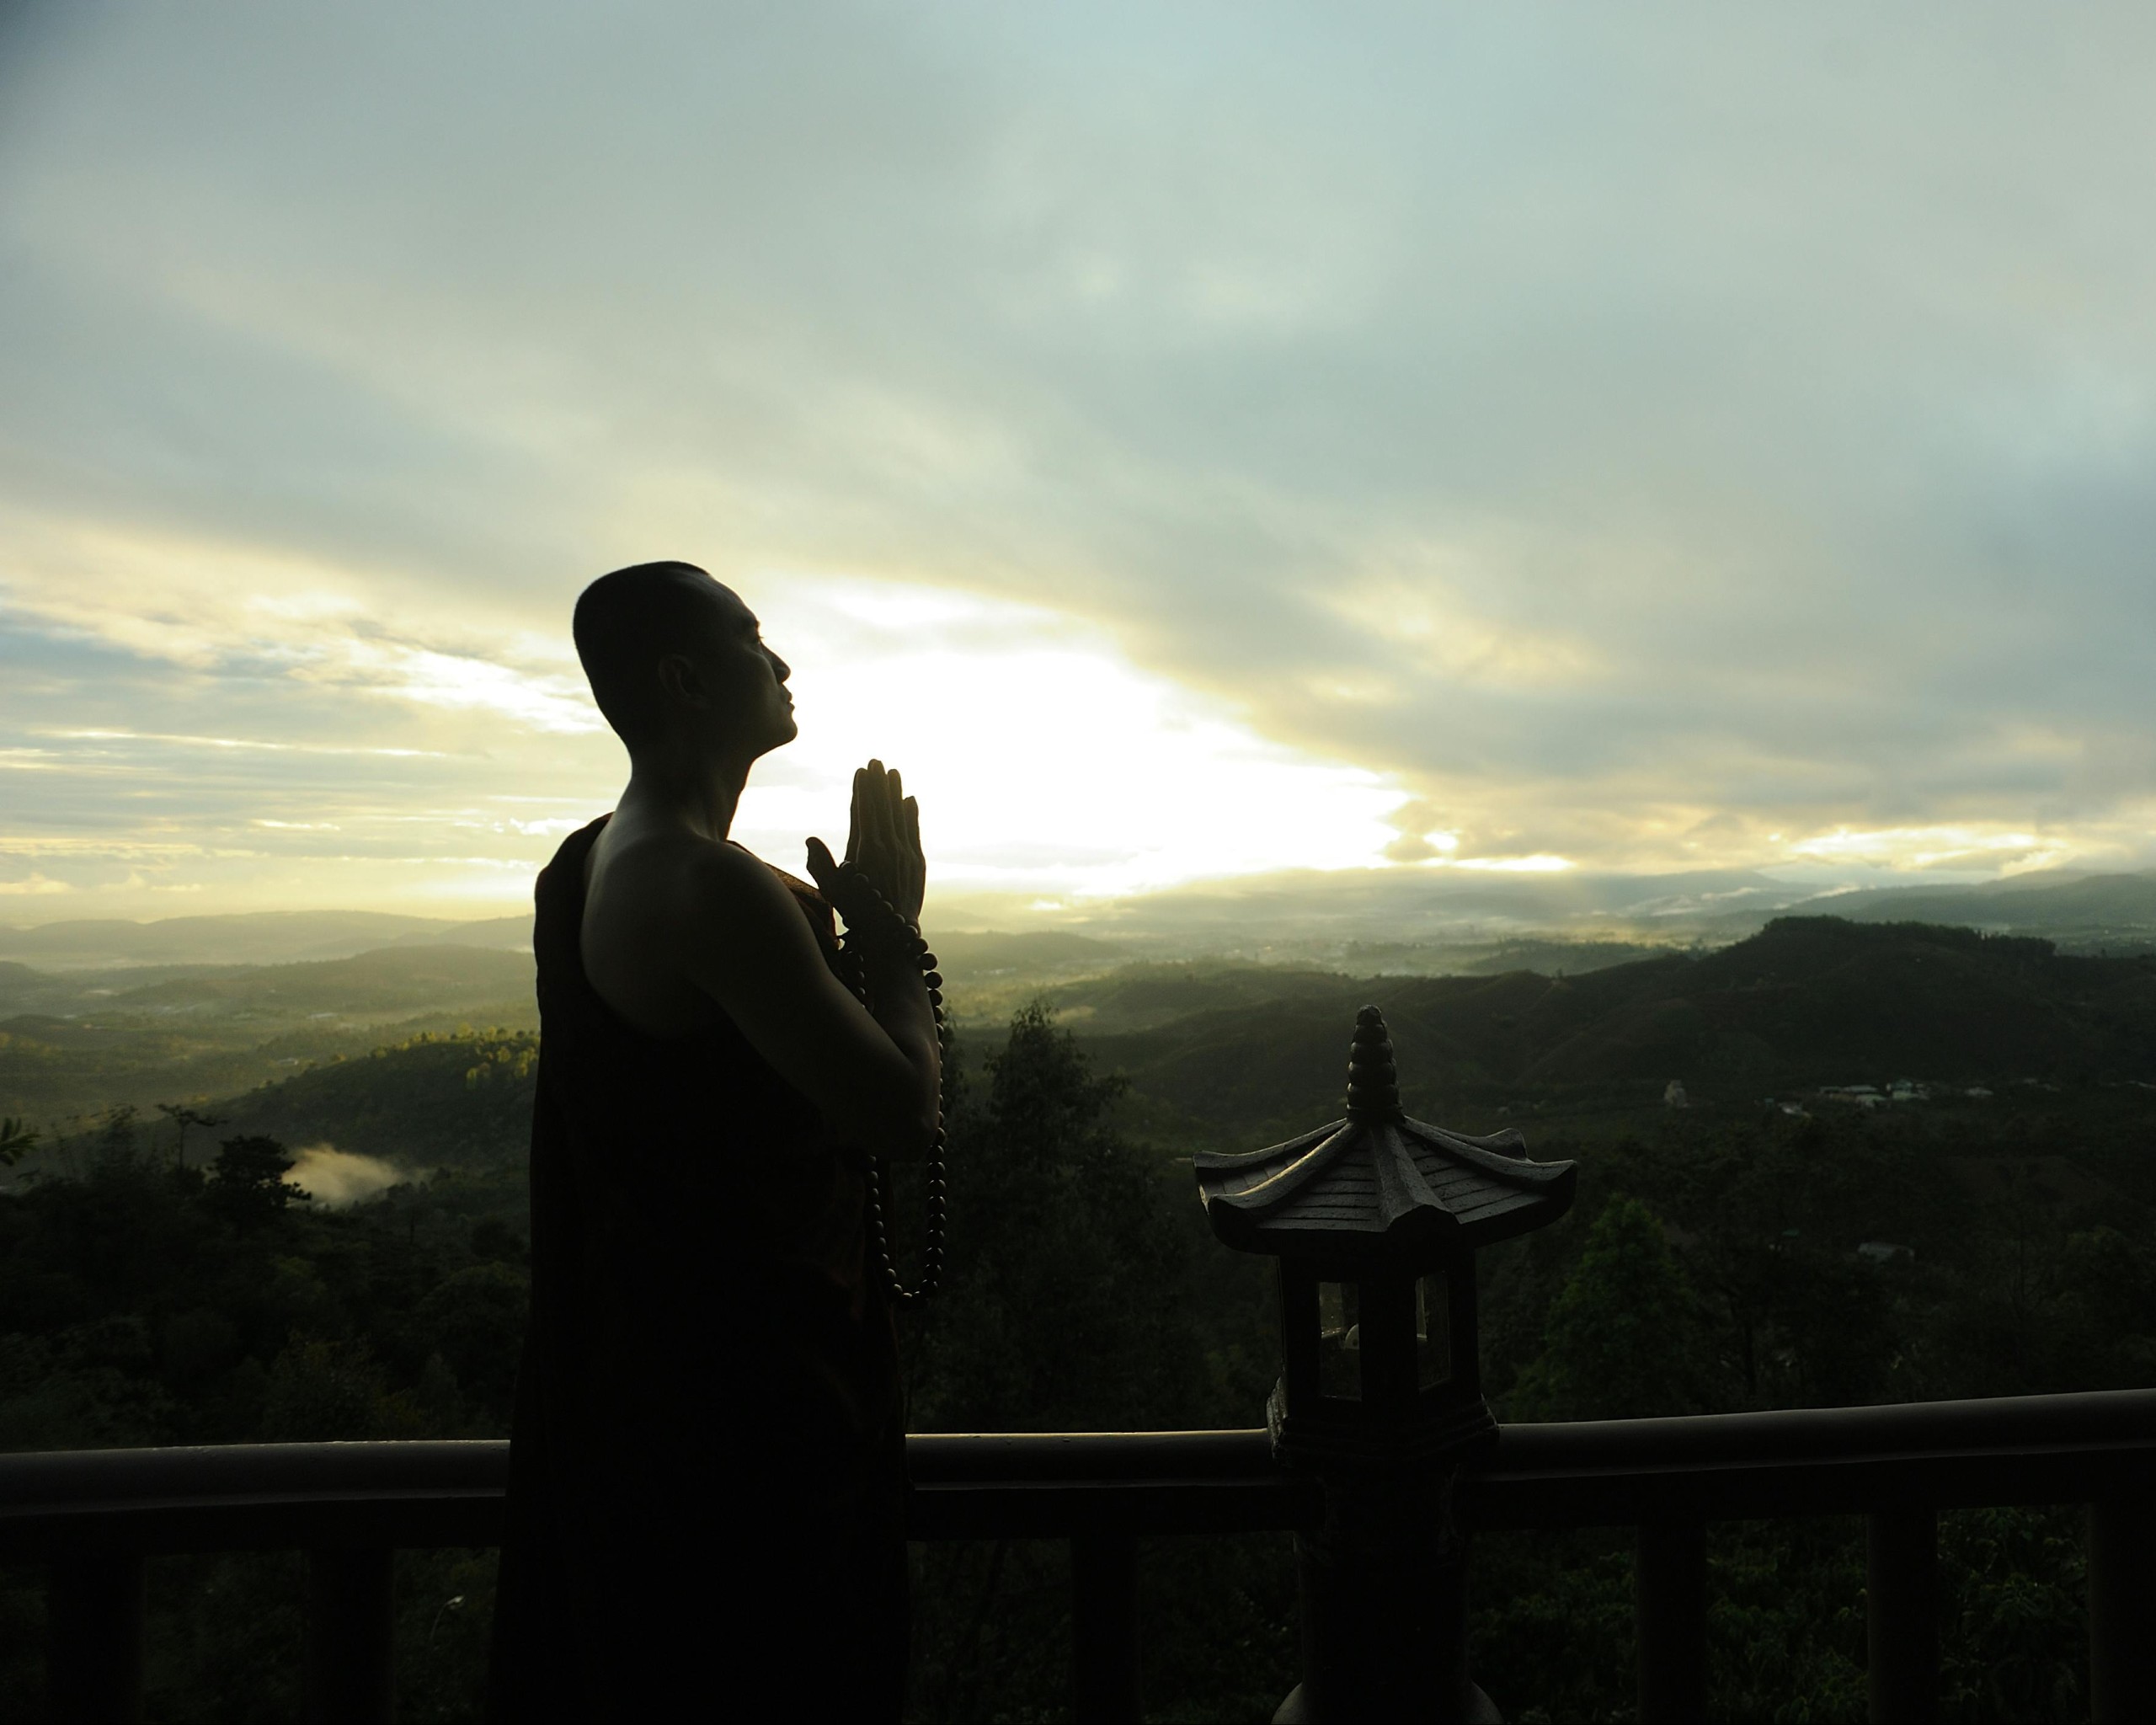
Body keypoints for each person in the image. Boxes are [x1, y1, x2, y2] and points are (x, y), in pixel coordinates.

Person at [488, 561, 941, 1722]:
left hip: (633, 1409)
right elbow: (897, 1111)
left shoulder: (589, 863)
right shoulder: (707, 888)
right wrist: (893, 940)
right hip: (748, 1441)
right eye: (753, 639)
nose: (781, 662)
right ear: (686, 679)